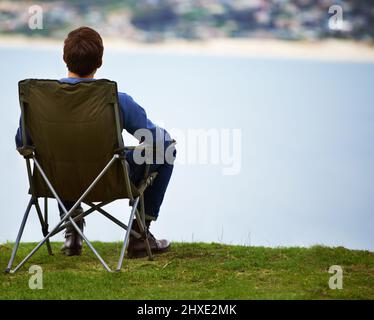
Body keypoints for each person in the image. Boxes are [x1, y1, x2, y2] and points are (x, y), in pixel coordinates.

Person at [15, 27, 175, 258]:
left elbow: (23, 143)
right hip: (108, 180)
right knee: (167, 150)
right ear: (99, 62)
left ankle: (72, 231)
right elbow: (157, 141)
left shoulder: (36, 99)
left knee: (63, 156)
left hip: (55, 182)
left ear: (64, 58)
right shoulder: (115, 100)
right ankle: (140, 236)